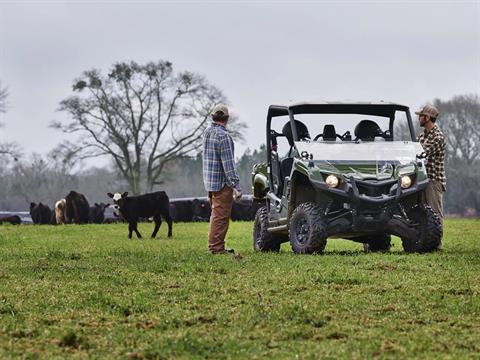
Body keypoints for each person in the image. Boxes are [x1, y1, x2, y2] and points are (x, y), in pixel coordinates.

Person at [202, 104, 242, 254]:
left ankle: (216, 246)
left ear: (213, 116)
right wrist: (236, 186)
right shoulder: (223, 136)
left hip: (210, 183)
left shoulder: (206, 133)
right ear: (227, 119)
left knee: (215, 216)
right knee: (221, 218)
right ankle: (216, 249)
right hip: (222, 184)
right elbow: (229, 166)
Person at [416, 104, 446, 221]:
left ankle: (437, 240)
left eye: (420, 116)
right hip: (423, 180)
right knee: (423, 214)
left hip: (433, 181)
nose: (419, 118)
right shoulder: (422, 136)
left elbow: (420, 153)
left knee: (435, 213)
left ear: (427, 118)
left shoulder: (438, 137)